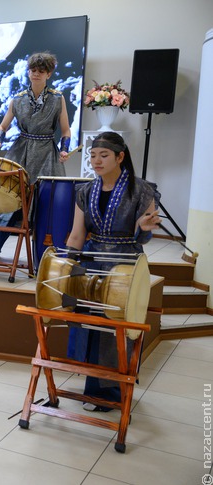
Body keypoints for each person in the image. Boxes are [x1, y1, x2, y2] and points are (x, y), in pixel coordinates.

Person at [65, 131, 160, 411]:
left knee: (116, 327)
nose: (97, 160)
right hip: (92, 261)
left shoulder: (141, 190)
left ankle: (114, 391)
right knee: (90, 325)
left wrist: (143, 230)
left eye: (104, 155)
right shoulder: (85, 191)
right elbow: (77, 234)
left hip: (125, 264)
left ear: (120, 157)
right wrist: (66, 264)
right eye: (93, 155)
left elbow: (144, 236)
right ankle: (93, 386)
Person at [0, 52, 71, 257]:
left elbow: (66, 130)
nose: (36, 74)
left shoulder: (58, 98)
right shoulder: (18, 99)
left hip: (46, 152)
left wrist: (65, 148)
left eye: (41, 71)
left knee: (48, 201)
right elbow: (3, 126)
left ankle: (46, 253)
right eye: (33, 70)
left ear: (48, 74)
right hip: (21, 150)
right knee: (8, 197)